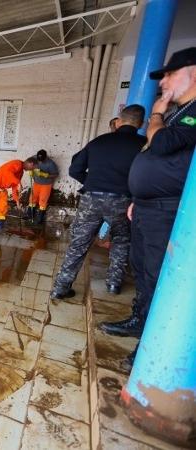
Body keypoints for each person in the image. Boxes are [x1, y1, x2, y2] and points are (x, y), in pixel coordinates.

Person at [99, 47, 196, 368]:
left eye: (170, 73)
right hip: (145, 206)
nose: (164, 80)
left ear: (192, 72)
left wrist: (156, 115)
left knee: (157, 276)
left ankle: (152, 345)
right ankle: (139, 321)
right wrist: (137, 200)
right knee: (140, 269)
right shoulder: (177, 113)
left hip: (168, 210)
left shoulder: (187, 112)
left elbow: (164, 144)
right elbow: (154, 153)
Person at [50, 104, 146, 300]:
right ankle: (113, 284)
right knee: (121, 241)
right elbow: (149, 176)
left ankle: (61, 288)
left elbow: (74, 169)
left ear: (118, 121)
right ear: (141, 123)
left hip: (91, 199)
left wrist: (93, 184)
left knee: (78, 244)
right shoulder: (144, 145)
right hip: (123, 202)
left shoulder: (98, 142)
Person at [0, 157, 37, 240]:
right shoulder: (17, 163)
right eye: (33, 168)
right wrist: (18, 182)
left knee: (2, 209)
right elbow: (7, 173)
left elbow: (15, 187)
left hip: (2, 190)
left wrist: (17, 201)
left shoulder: (21, 172)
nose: (32, 170)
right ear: (31, 164)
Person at [24, 149, 59, 224]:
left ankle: (39, 219)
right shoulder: (33, 158)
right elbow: (28, 164)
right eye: (39, 160)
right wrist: (30, 170)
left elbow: (56, 174)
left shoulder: (51, 164)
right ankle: (30, 215)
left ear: (45, 157)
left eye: (42, 160)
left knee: (43, 201)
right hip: (36, 183)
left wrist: (45, 175)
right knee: (32, 198)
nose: (40, 162)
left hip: (46, 184)